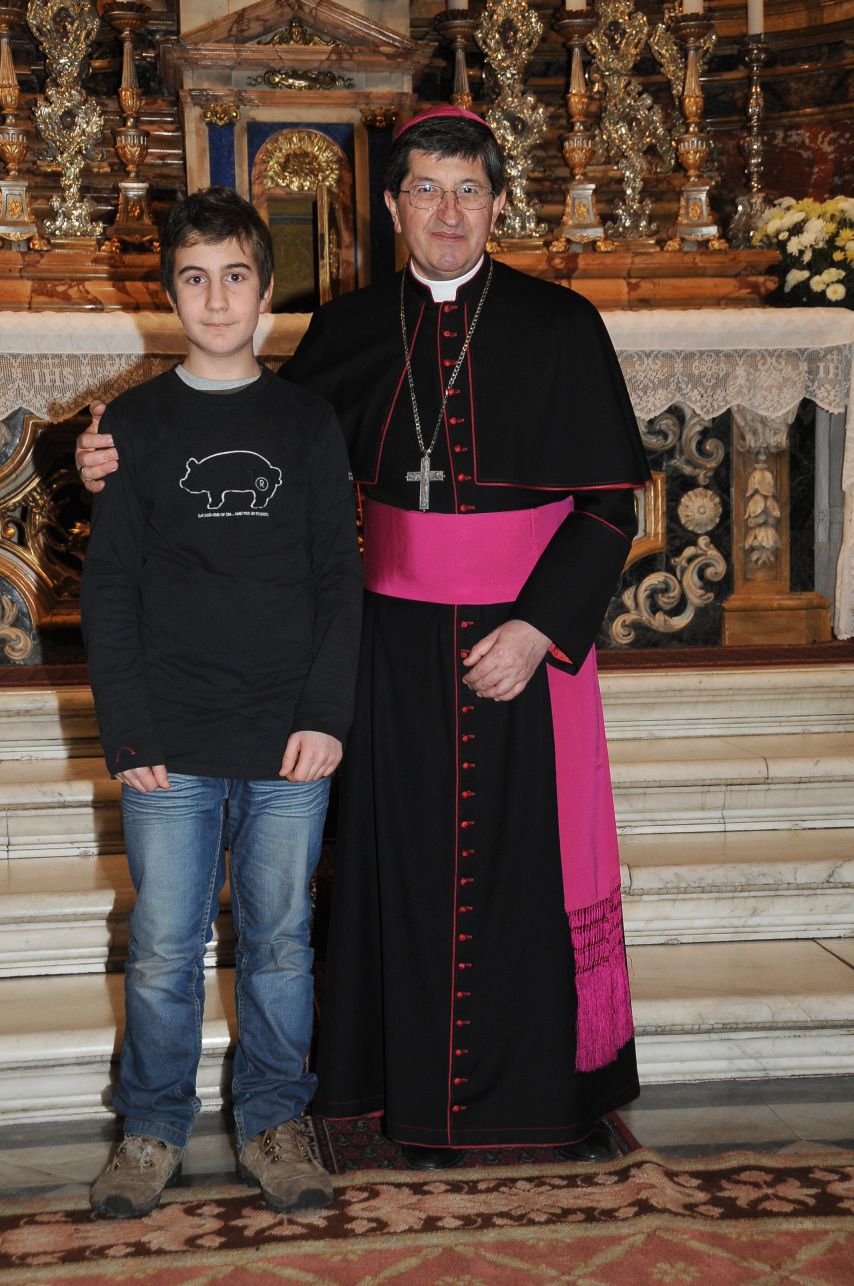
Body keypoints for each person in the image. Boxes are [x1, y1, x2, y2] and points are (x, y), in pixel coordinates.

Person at [77, 108, 650, 1171]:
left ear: (497, 204)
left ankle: (533, 1095)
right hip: (386, 650)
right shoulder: (346, 331)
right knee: (396, 869)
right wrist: (101, 457)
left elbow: (612, 503)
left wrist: (538, 628)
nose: (447, 212)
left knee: (523, 868)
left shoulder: (561, 325)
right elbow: (242, 429)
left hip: (525, 646)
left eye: (468, 191)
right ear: (390, 207)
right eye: (425, 190)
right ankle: (389, 1091)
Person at [80, 186, 362, 1217]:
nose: (215, 298)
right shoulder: (136, 424)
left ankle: (276, 1119)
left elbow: (338, 578)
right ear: (168, 295)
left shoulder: (306, 422)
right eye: (193, 279)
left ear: (266, 292)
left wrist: (326, 714)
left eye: (234, 276)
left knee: (280, 940)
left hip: (287, 735)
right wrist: (129, 730)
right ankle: (151, 1127)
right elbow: (109, 589)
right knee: (164, 943)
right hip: (171, 736)